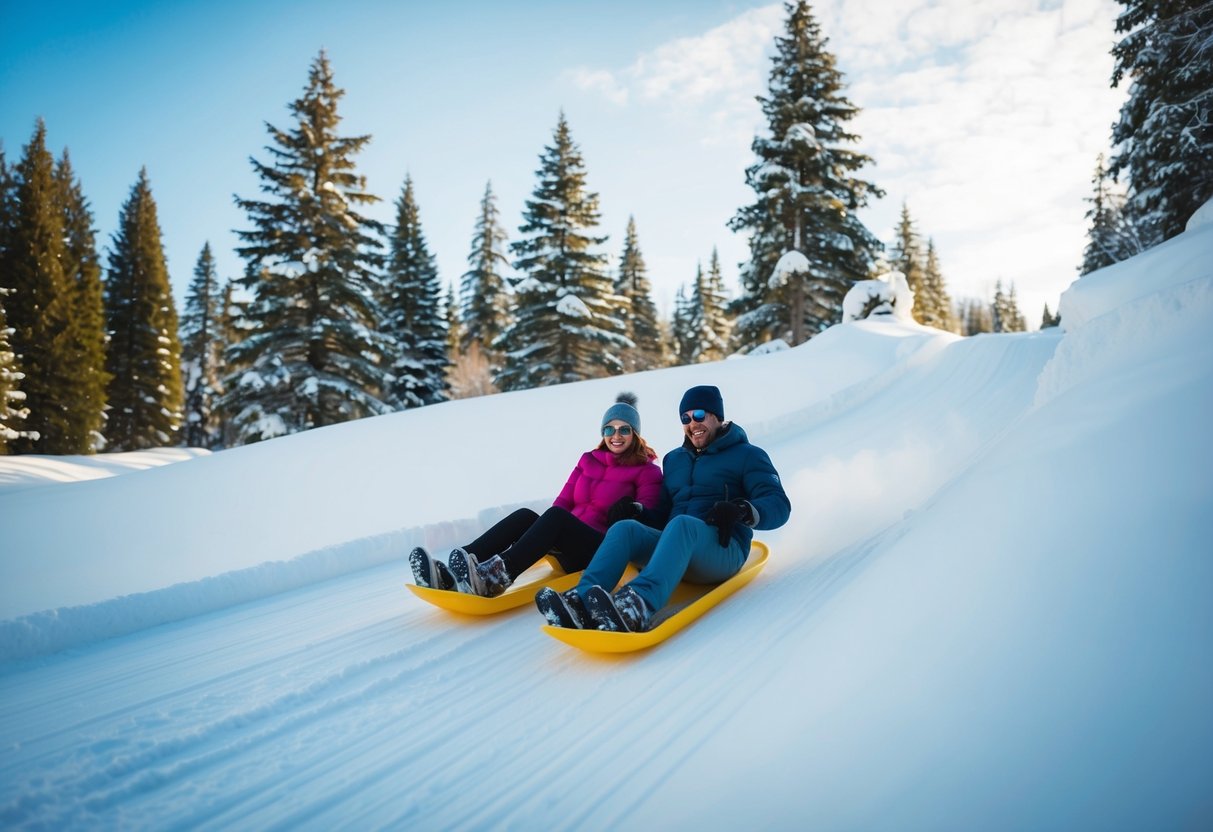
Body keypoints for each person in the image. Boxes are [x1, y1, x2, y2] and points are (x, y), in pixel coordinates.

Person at [536, 385, 790, 631]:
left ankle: (638, 604)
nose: (693, 423)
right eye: (686, 417)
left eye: (700, 415)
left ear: (718, 417)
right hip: (675, 547)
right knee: (626, 529)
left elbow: (778, 504)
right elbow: (662, 512)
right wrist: (637, 511)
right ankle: (580, 600)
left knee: (682, 525)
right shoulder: (675, 459)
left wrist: (743, 510)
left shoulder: (748, 455)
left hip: (722, 550)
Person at [410, 393, 663, 597]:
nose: (615, 436)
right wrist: (541, 532)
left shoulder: (647, 471)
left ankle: (498, 575)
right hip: (567, 541)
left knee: (555, 517)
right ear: (602, 433)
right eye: (609, 430)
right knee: (525, 516)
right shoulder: (588, 460)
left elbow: (647, 519)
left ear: (635, 434)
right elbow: (563, 502)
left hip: (599, 549)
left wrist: (634, 508)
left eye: (623, 430)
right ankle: (458, 567)